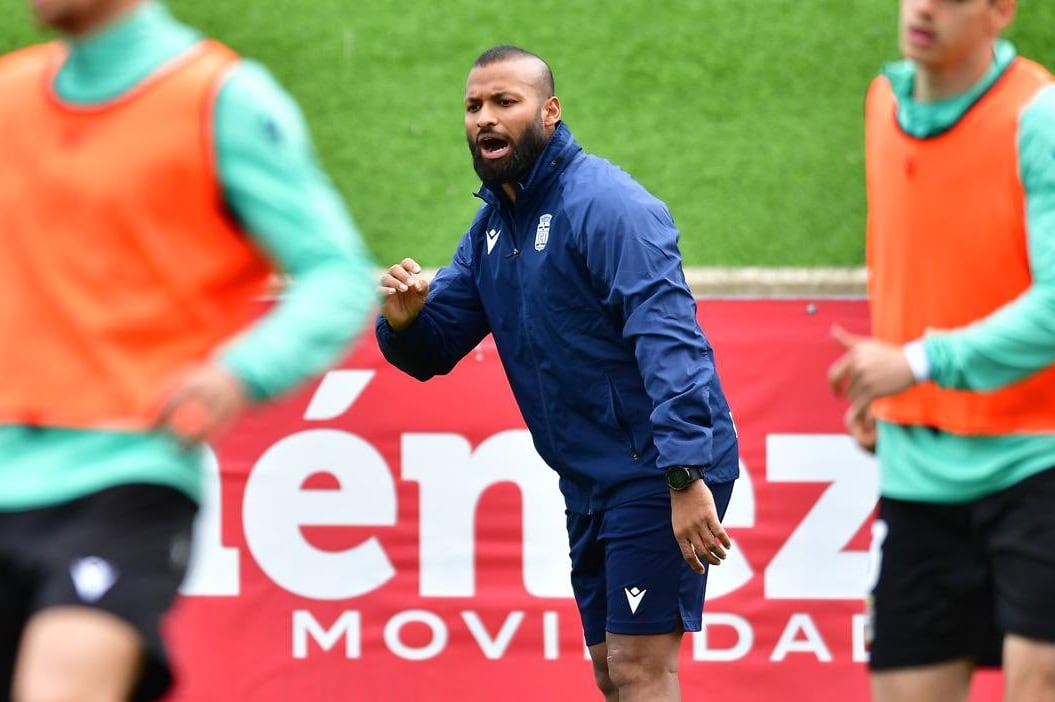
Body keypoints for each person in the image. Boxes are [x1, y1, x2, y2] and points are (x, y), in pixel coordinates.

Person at [0, 0, 375, 699]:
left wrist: (243, 370)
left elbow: (335, 274)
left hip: (123, 474)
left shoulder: (218, 96)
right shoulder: (9, 94)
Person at [376, 45, 739, 702]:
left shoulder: (609, 207)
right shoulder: (492, 228)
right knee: (609, 669)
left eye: (503, 102)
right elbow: (435, 348)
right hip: (591, 478)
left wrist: (684, 476)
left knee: (639, 667)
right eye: (472, 106)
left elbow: (672, 344)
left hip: (658, 469)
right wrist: (402, 321)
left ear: (549, 111)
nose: (485, 118)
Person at [828, 1, 1055, 700]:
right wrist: (887, 389)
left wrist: (916, 363)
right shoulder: (880, 100)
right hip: (917, 474)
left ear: (998, 12)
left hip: (1038, 462)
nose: (923, 7)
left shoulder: (1038, 116)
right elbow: (920, 261)